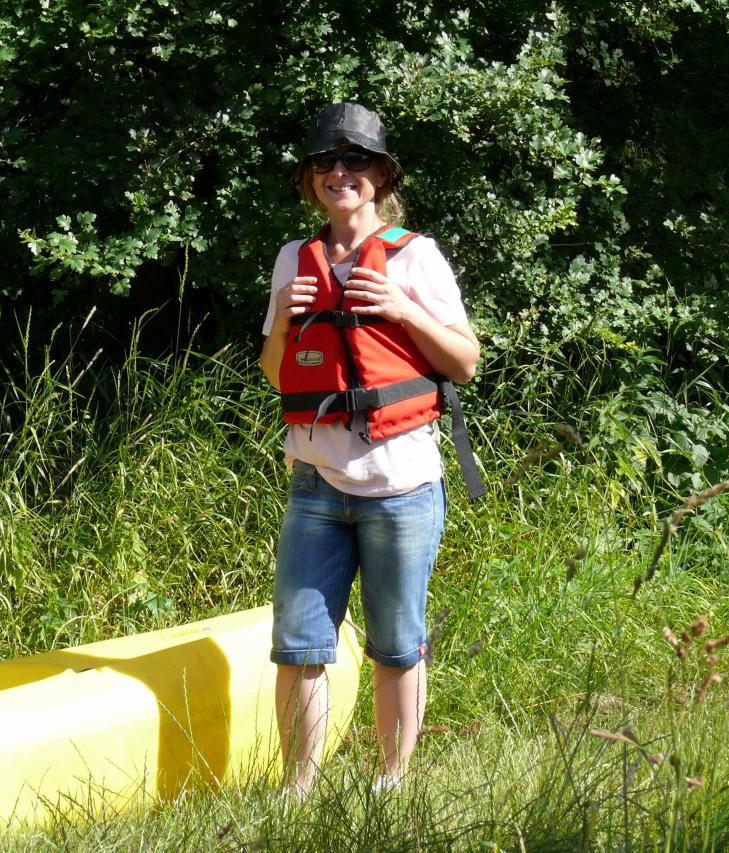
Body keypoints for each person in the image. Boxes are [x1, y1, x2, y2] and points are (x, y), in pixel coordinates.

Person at [259, 102, 482, 798]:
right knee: (298, 646)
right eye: (325, 161)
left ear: (381, 175)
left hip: (402, 483)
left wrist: (403, 308)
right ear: (310, 180)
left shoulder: (415, 255)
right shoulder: (294, 260)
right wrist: (291, 321)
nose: (339, 173)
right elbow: (275, 371)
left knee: (395, 641)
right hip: (316, 483)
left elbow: (465, 361)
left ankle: (392, 781)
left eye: (356, 161)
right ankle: (298, 788)